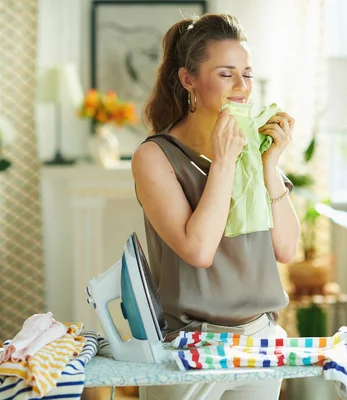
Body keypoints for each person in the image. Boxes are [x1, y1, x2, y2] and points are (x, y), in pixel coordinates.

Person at [131, 13, 300, 400]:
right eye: (227, 74)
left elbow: (287, 249)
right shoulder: (155, 157)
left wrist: (269, 165)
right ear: (188, 79)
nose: (243, 87)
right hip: (189, 347)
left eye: (247, 73)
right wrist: (224, 163)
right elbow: (199, 250)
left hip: (260, 339)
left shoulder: (251, 147)